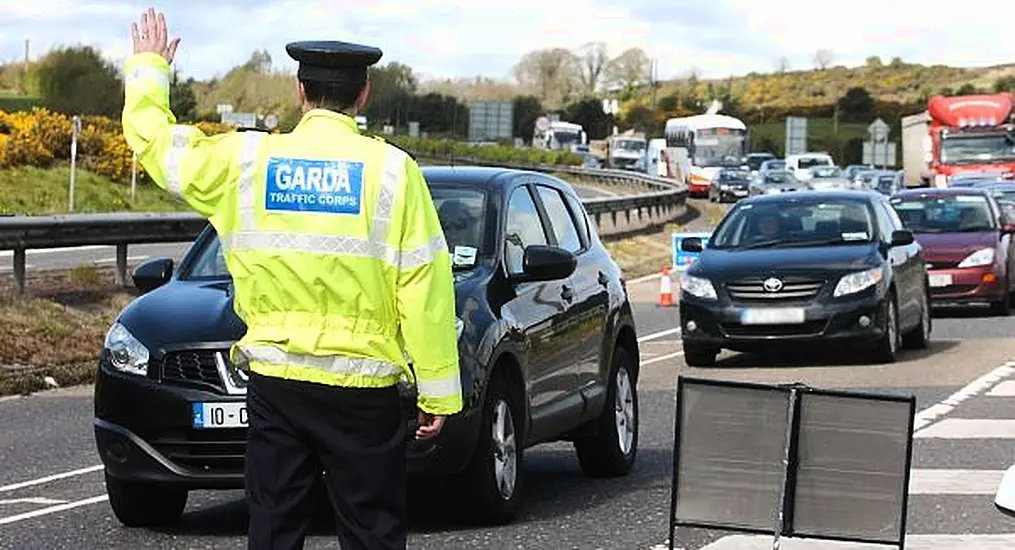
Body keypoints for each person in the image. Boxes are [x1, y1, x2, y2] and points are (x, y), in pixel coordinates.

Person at [122, 8, 462, 550]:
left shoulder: (249, 161)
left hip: (277, 384)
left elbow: (159, 148)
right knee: (372, 532)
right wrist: (439, 394)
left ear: (300, 92)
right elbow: (424, 286)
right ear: (364, 94)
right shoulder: (394, 172)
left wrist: (148, 69)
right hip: (363, 390)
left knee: (275, 529)